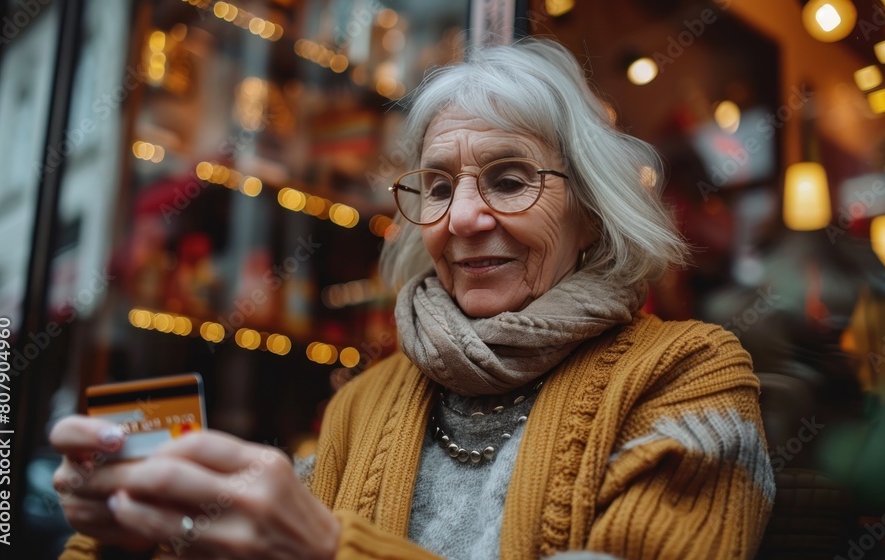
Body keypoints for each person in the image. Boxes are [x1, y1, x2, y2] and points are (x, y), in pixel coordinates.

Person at [53, 38, 774, 560]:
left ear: (590, 210)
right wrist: (133, 530)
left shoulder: (691, 374)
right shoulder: (363, 401)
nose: (461, 218)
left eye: (510, 179)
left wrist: (332, 549)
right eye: (436, 187)